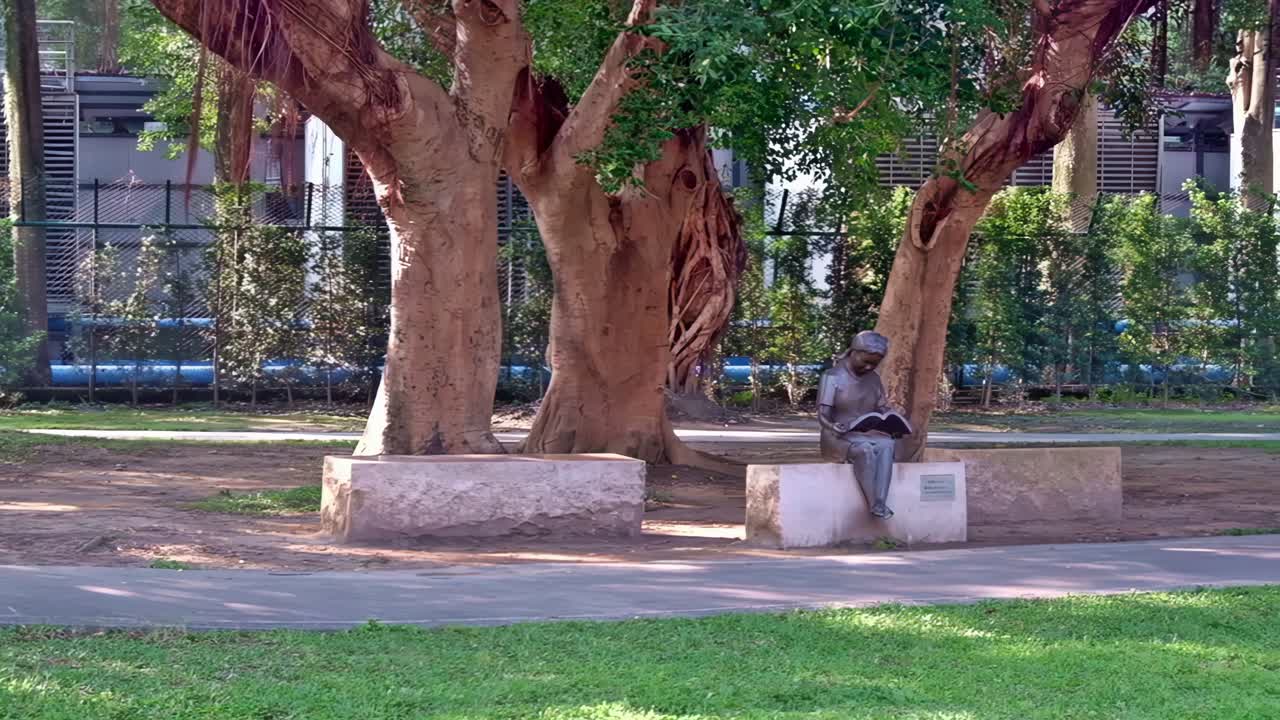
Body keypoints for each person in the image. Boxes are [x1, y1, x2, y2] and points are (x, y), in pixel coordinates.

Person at [816, 330, 903, 518]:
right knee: (864, 450)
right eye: (866, 362)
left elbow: (881, 407)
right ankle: (874, 504)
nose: (870, 367)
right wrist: (832, 426)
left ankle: (881, 500)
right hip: (838, 436)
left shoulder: (874, 379)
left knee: (887, 445)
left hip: (866, 433)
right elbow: (823, 415)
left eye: (875, 364)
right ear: (854, 353)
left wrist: (890, 419)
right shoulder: (832, 377)